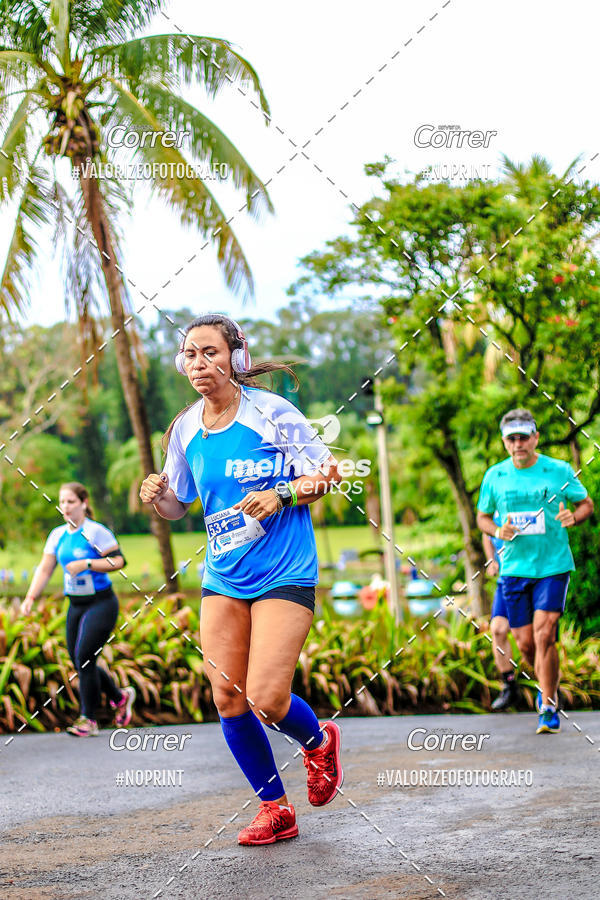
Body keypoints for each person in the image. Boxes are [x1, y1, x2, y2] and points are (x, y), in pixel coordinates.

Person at [140, 314, 343, 846]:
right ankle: (276, 808)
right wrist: (156, 495)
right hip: (224, 576)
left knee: (267, 700)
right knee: (228, 699)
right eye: (190, 354)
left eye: (210, 352)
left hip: (284, 571)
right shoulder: (186, 426)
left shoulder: (271, 413)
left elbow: (327, 473)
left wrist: (282, 494)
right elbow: (179, 506)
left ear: (236, 356)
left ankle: (318, 741)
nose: (199, 363)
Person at [477, 409, 593, 734]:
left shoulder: (558, 470)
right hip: (514, 569)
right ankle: (547, 685)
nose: (518, 444)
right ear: (504, 442)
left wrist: (575, 516)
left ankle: (548, 703)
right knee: (526, 644)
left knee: (546, 633)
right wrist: (497, 531)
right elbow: (483, 517)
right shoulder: (494, 476)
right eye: (512, 438)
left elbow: (586, 503)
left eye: (524, 437)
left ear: (535, 438)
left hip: (553, 564)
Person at [20, 483, 135, 737]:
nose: (65, 506)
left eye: (71, 501)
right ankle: (120, 697)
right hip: (76, 604)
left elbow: (118, 561)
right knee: (81, 660)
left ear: (84, 502)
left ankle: (88, 720)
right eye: (62, 502)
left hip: (101, 603)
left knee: (84, 655)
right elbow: (45, 568)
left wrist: (88, 563)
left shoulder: (96, 532)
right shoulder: (57, 535)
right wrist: (30, 597)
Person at [483, 512, 518, 710]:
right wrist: (491, 560)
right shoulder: (494, 502)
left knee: (533, 636)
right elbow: (485, 532)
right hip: (505, 579)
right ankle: (510, 685)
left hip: (529, 576)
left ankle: (548, 690)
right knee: (497, 629)